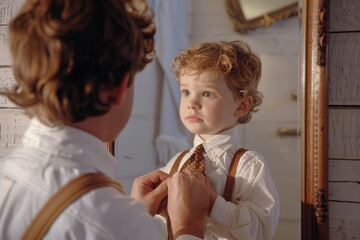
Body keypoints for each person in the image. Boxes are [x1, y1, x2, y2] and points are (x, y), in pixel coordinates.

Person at [0, 0, 211, 239]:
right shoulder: (115, 224)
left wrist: (133, 216)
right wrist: (189, 226)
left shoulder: (5, 174)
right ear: (119, 87)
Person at [158, 41, 280, 239]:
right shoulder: (177, 162)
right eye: (186, 92)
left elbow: (260, 230)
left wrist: (213, 205)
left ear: (241, 106)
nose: (192, 103)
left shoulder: (250, 166)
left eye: (207, 94)